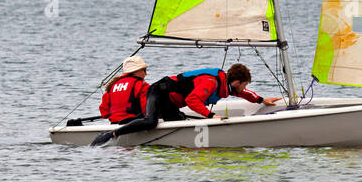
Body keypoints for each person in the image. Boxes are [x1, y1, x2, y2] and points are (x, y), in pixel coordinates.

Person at [90, 62, 279, 146]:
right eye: (244, 84)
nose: (244, 88)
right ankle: (112, 133)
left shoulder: (227, 83)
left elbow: (242, 93)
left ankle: (129, 123)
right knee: (150, 122)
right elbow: (192, 100)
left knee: (179, 119)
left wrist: (262, 100)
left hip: (170, 101)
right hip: (158, 91)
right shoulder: (211, 82)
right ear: (237, 82)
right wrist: (212, 116)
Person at [99, 55, 150, 126]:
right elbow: (147, 110)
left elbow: (104, 113)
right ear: (137, 71)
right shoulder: (142, 85)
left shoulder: (112, 86)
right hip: (133, 125)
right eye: (144, 70)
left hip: (114, 125)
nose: (146, 74)